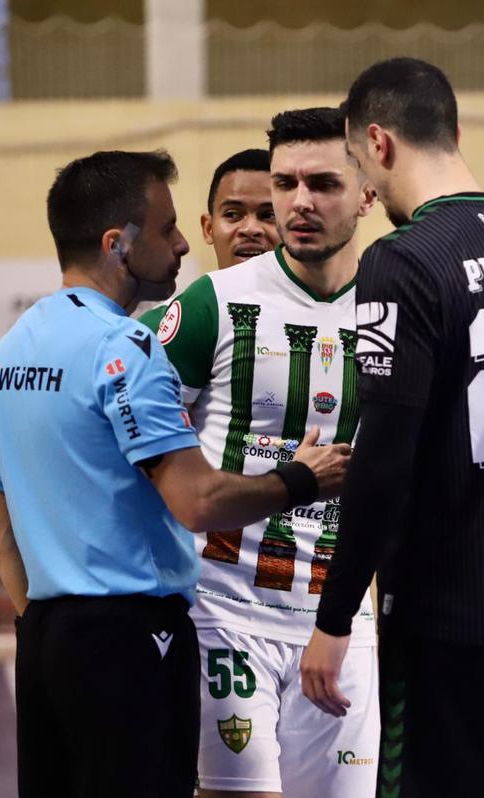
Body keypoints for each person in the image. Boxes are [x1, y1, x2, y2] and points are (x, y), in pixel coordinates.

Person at [0, 149, 351, 798]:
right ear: (117, 244)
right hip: (129, 638)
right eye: (167, 228)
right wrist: (302, 479)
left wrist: (53, 630)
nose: (182, 243)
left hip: (42, 638)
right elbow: (196, 500)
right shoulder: (127, 346)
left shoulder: (15, 348)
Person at [302, 58, 484, 798]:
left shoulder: (401, 261)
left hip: (451, 623)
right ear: (456, 131)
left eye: (353, 164)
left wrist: (334, 618)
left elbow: (383, 456)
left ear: (377, 143)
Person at [139, 107, 379, 798]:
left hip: (340, 620)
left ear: (366, 194)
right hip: (225, 612)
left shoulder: (398, 304)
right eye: (285, 183)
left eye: (322, 183)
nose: (298, 202)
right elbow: (132, 448)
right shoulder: (212, 302)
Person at [202, 148, 279, 269]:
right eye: (232, 214)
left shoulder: (316, 287)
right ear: (208, 228)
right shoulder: (200, 288)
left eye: (269, 215)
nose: (250, 229)